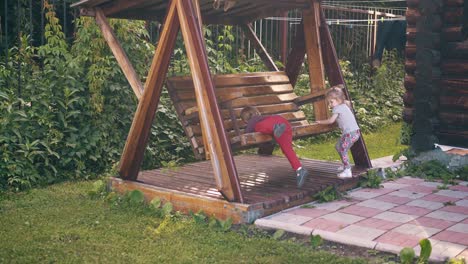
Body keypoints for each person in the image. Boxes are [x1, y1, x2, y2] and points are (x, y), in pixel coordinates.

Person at [240, 106, 309, 188]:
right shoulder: (263, 117)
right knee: (287, 150)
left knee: (258, 126)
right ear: (257, 112)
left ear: (246, 119)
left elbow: (248, 132)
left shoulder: (254, 120)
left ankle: (275, 128)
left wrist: (246, 130)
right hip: (283, 124)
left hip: (274, 125)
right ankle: (299, 169)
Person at [315, 86, 360, 178]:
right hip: (352, 133)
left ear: (339, 100)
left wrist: (320, 122)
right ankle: (345, 165)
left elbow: (331, 121)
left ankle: (348, 171)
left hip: (351, 134)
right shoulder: (344, 105)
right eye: (329, 102)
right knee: (338, 146)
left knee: (343, 149)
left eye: (331, 102)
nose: (330, 104)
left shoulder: (338, 108)